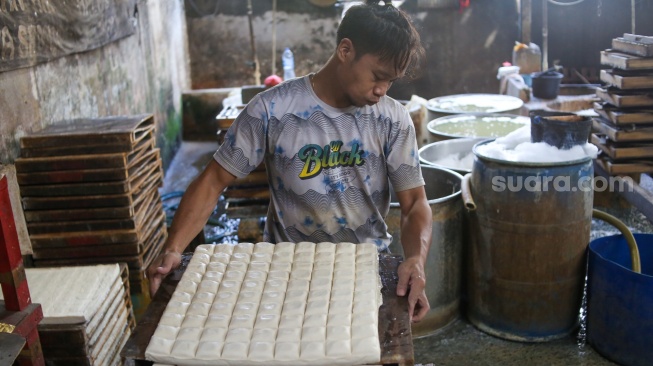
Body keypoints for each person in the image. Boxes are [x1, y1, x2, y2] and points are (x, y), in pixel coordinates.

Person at [147, 0, 432, 323]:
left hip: (366, 269)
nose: (382, 90)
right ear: (345, 50)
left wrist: (415, 259)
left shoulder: (392, 119)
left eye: (391, 81)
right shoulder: (273, 111)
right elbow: (213, 181)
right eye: (378, 76)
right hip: (287, 272)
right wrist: (173, 249)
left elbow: (415, 204)